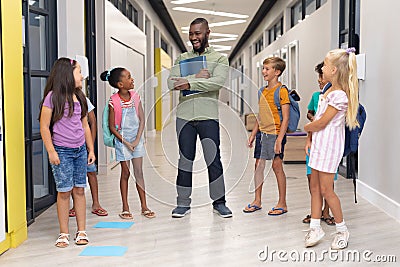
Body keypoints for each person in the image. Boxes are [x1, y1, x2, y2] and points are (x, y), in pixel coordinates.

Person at [167, 18, 232, 218]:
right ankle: (182, 203)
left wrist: (187, 83)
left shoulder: (219, 59)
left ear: (207, 33)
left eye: (198, 33)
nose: (194, 37)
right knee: (185, 160)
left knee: (214, 160)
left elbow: (217, 83)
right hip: (184, 118)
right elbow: (171, 83)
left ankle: (219, 202)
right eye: (191, 34)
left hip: (208, 116)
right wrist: (197, 79)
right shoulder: (181, 58)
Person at [304, 48, 359, 249]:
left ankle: (342, 229)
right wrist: (309, 139)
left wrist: (306, 128)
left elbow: (320, 123)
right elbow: (318, 118)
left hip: (329, 149)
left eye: (326, 65)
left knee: (327, 190)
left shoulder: (340, 96)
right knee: (315, 189)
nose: (323, 68)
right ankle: (315, 227)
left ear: (334, 70)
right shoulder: (326, 90)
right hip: (318, 146)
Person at [39, 58, 95, 248]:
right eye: (79, 72)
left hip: (80, 151)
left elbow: (85, 124)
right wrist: (51, 151)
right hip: (61, 151)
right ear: (68, 75)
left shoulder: (80, 97)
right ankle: (64, 233)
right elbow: (44, 126)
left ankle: (81, 231)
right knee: (64, 192)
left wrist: (91, 149)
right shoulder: (52, 97)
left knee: (79, 190)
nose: (82, 76)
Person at [100, 67, 155, 220]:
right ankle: (125, 207)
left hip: (136, 140)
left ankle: (144, 206)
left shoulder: (136, 97)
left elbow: (142, 119)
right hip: (122, 141)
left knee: (139, 173)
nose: (132, 79)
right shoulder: (113, 102)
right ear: (120, 84)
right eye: (128, 77)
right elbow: (112, 126)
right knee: (125, 173)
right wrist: (126, 143)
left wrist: (137, 140)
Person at [243, 57, 289, 215]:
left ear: (277, 72)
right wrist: (253, 134)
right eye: (263, 68)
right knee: (258, 167)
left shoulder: (282, 91)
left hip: (275, 134)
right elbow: (260, 115)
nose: (264, 71)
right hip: (262, 134)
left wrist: (280, 139)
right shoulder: (262, 91)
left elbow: (286, 118)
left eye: (267, 69)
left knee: (277, 167)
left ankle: (282, 203)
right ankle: (257, 200)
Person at [302, 62, 336, 226]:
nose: (319, 80)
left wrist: (317, 123)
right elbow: (310, 112)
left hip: (328, 145)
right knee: (311, 179)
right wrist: (312, 120)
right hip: (314, 142)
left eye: (321, 76)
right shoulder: (317, 96)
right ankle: (315, 211)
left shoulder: (337, 96)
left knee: (328, 182)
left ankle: (326, 212)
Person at [69, 97, 108, 217]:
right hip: (70, 144)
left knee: (91, 172)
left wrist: (91, 143)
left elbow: (92, 121)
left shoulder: (83, 99)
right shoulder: (61, 98)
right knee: (73, 174)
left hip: (85, 143)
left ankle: (96, 203)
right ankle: (76, 205)